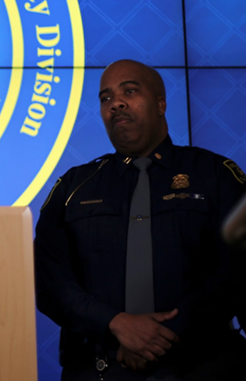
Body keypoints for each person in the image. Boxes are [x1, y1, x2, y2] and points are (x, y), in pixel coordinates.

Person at [35, 59, 246, 380]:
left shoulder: (216, 175)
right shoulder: (73, 186)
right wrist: (114, 323)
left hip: (201, 365)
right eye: (105, 98)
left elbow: (237, 269)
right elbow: (49, 279)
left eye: (129, 91)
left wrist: (163, 334)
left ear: (160, 103)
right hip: (99, 367)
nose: (116, 103)